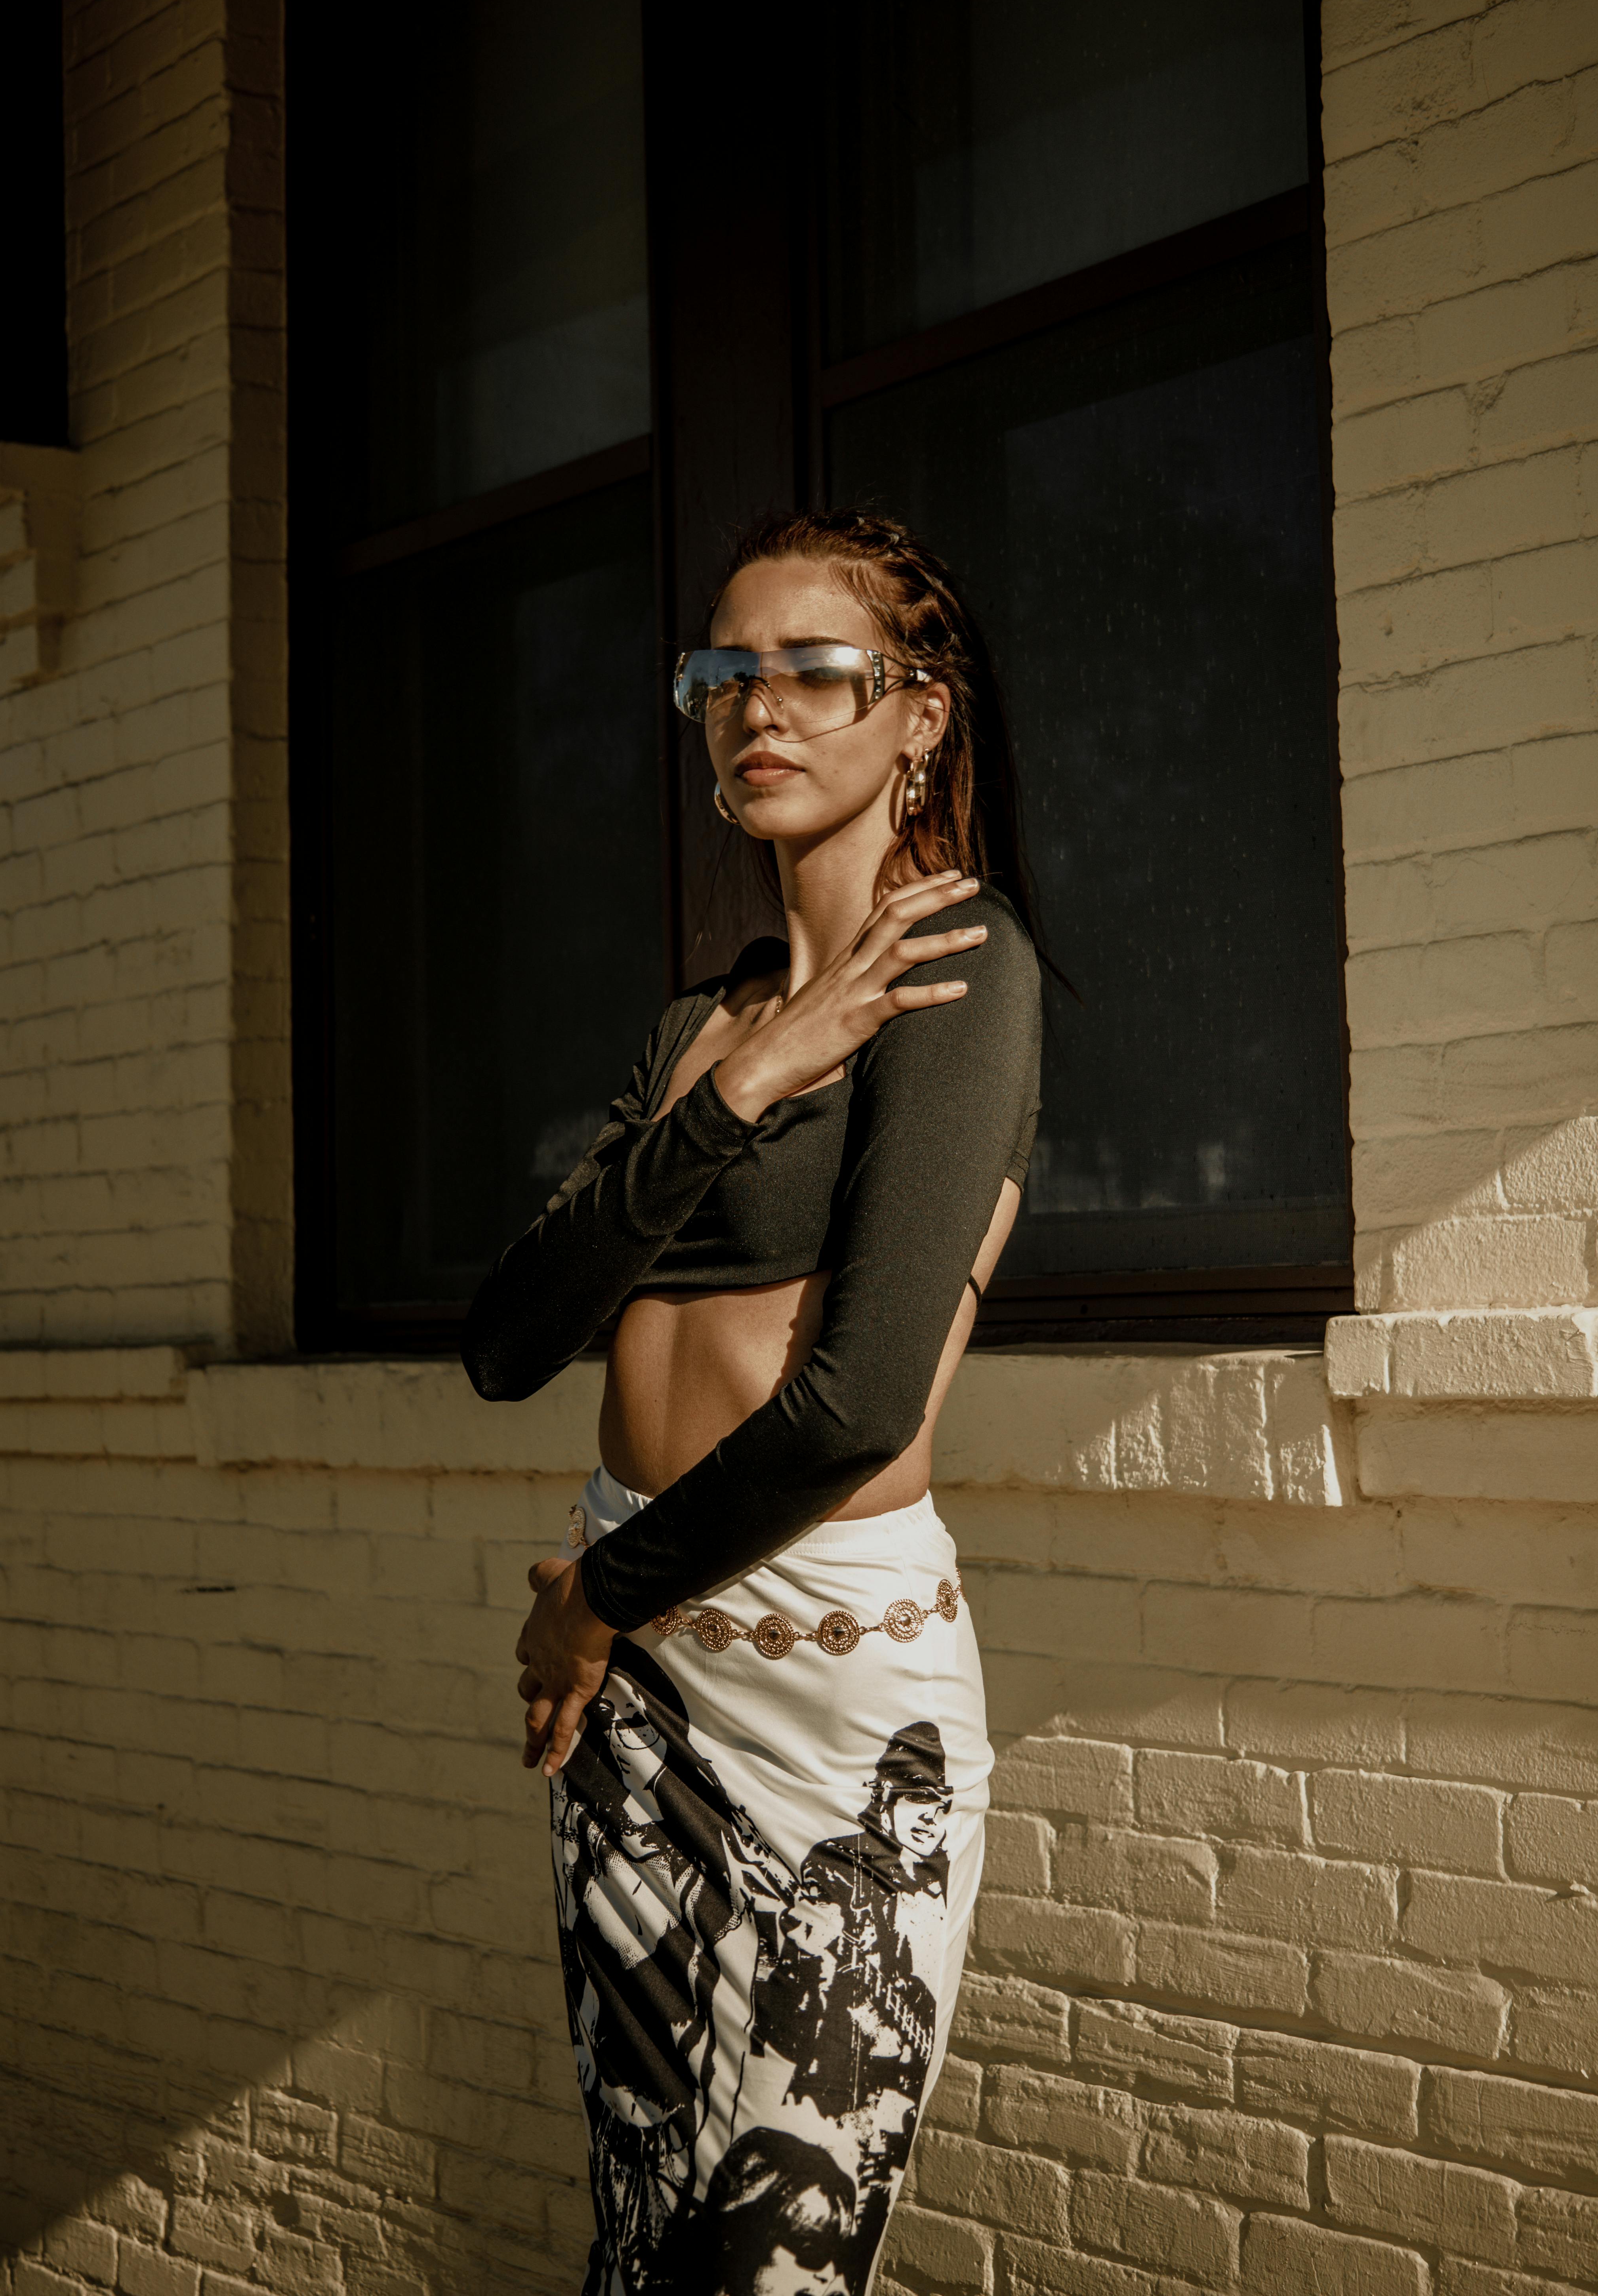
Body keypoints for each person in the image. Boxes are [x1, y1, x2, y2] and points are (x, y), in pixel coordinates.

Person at [463, 509, 1045, 2295]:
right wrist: (736, 1088)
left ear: (920, 714)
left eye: (815, 672)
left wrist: (597, 1601)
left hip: (818, 1694)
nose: (757, 709)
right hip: (628, 1684)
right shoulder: (694, 1027)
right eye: (725, 673)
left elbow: (861, 1399)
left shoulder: (958, 973)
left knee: (774, 2262)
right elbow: (509, 1336)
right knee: (643, 2230)